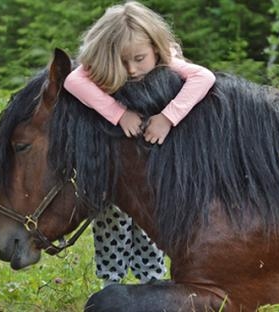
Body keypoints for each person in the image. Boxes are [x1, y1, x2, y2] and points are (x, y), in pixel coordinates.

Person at [63, 1, 215, 286]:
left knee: (150, 219)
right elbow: (73, 80)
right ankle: (111, 283)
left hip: (153, 163)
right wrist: (119, 114)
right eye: (122, 61)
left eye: (139, 59)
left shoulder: (168, 59)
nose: (131, 70)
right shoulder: (99, 67)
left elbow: (204, 76)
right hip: (116, 161)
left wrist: (167, 118)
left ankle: (152, 280)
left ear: (155, 49)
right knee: (111, 218)